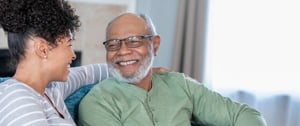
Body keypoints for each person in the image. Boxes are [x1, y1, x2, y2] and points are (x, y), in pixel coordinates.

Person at [78, 13, 267, 126]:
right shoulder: (97, 103)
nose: (123, 51)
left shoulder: (180, 84)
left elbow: (247, 116)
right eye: (113, 44)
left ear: (155, 45)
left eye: (134, 41)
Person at [0, 0, 111, 125]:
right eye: (69, 45)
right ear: (43, 50)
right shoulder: (17, 99)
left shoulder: (51, 90)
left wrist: (131, 68)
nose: (73, 55)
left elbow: (87, 74)